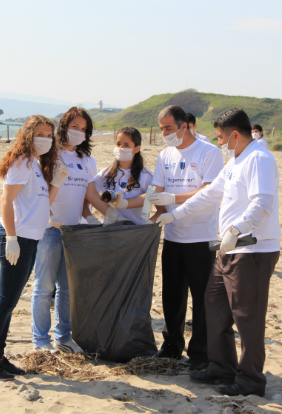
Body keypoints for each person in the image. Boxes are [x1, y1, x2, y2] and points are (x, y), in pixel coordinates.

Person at [156, 108, 280, 397]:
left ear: (235, 134)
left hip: (252, 249)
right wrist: (176, 214)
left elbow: (262, 203)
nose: (220, 142)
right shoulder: (236, 160)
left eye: (222, 137)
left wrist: (236, 230)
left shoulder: (259, 159)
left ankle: (250, 380)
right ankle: (221, 366)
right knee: (214, 305)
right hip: (227, 248)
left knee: (247, 316)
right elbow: (210, 194)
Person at [0, 115, 69, 381]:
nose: (46, 139)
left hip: (30, 240)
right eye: (40, 133)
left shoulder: (36, 164)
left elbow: (40, 203)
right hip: (16, 240)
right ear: (28, 134)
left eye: (49, 135)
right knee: (5, 302)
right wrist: (12, 238)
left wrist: (57, 182)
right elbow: (6, 201)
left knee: (11, 301)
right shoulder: (21, 162)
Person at [31, 107, 117, 354]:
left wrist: (110, 214)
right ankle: (40, 340)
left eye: (84, 129)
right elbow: (38, 189)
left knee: (67, 288)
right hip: (49, 230)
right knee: (44, 286)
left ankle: (64, 337)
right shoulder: (49, 152)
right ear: (64, 126)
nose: (79, 132)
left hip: (75, 232)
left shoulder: (87, 160)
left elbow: (90, 194)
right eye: (75, 127)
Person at [147, 106, 223, 371]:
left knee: (202, 298)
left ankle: (200, 352)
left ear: (185, 125)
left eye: (168, 128)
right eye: (161, 129)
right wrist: (151, 213)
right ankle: (171, 346)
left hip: (200, 237)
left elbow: (207, 191)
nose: (165, 133)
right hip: (173, 236)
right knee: (172, 295)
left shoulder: (209, 152)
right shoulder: (165, 154)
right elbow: (156, 191)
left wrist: (174, 203)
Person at [94, 127, 153, 225]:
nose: (121, 148)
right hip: (108, 232)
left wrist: (125, 204)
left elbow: (153, 198)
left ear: (137, 148)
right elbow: (90, 194)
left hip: (134, 230)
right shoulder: (105, 173)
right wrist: (91, 218)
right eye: (118, 144)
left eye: (126, 145)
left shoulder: (145, 176)